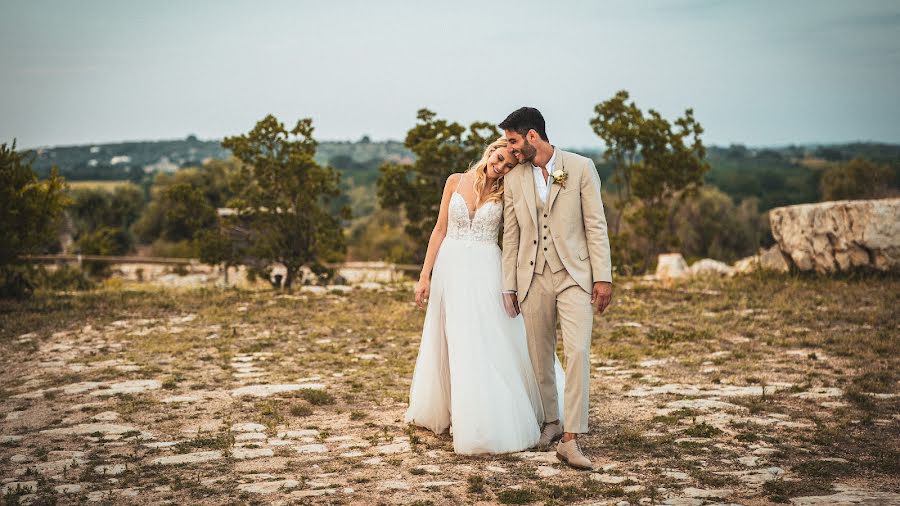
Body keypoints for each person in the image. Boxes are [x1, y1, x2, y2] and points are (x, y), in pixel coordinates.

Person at [404, 137, 564, 455]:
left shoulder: (509, 192)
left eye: (508, 164)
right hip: (450, 267)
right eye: (499, 157)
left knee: (483, 339)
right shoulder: (455, 181)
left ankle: (482, 415)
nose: (500, 166)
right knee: (449, 337)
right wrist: (425, 275)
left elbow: (523, 235)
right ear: (490, 151)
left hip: (487, 270)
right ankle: (448, 408)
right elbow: (439, 229)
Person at [499, 107, 613, 470]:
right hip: (531, 276)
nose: (511, 150)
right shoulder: (515, 178)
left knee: (577, 351)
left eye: (514, 141)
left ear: (533, 136)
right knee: (540, 354)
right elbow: (511, 233)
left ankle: (571, 438)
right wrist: (509, 286)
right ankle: (551, 421)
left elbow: (596, 226)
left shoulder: (580, 168)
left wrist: (603, 276)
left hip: (575, 276)